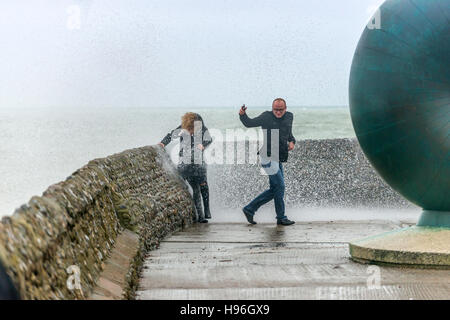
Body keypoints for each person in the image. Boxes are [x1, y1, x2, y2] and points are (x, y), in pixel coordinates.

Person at [239, 98, 296, 226]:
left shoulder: (289, 117)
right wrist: (242, 115)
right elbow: (249, 123)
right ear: (272, 108)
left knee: (276, 188)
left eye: (281, 110)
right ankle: (280, 217)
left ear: (285, 109)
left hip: (278, 157)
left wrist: (292, 141)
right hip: (268, 156)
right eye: (276, 110)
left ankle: (250, 209)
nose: (278, 112)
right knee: (280, 187)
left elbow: (289, 133)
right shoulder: (266, 116)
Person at [159, 112, 212, 223]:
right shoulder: (183, 127)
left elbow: (209, 139)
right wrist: (163, 143)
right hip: (185, 163)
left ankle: (205, 212)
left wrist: (203, 145)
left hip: (198, 163)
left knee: (202, 185)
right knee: (195, 189)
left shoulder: (201, 127)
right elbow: (171, 135)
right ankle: (200, 216)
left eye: (191, 131)